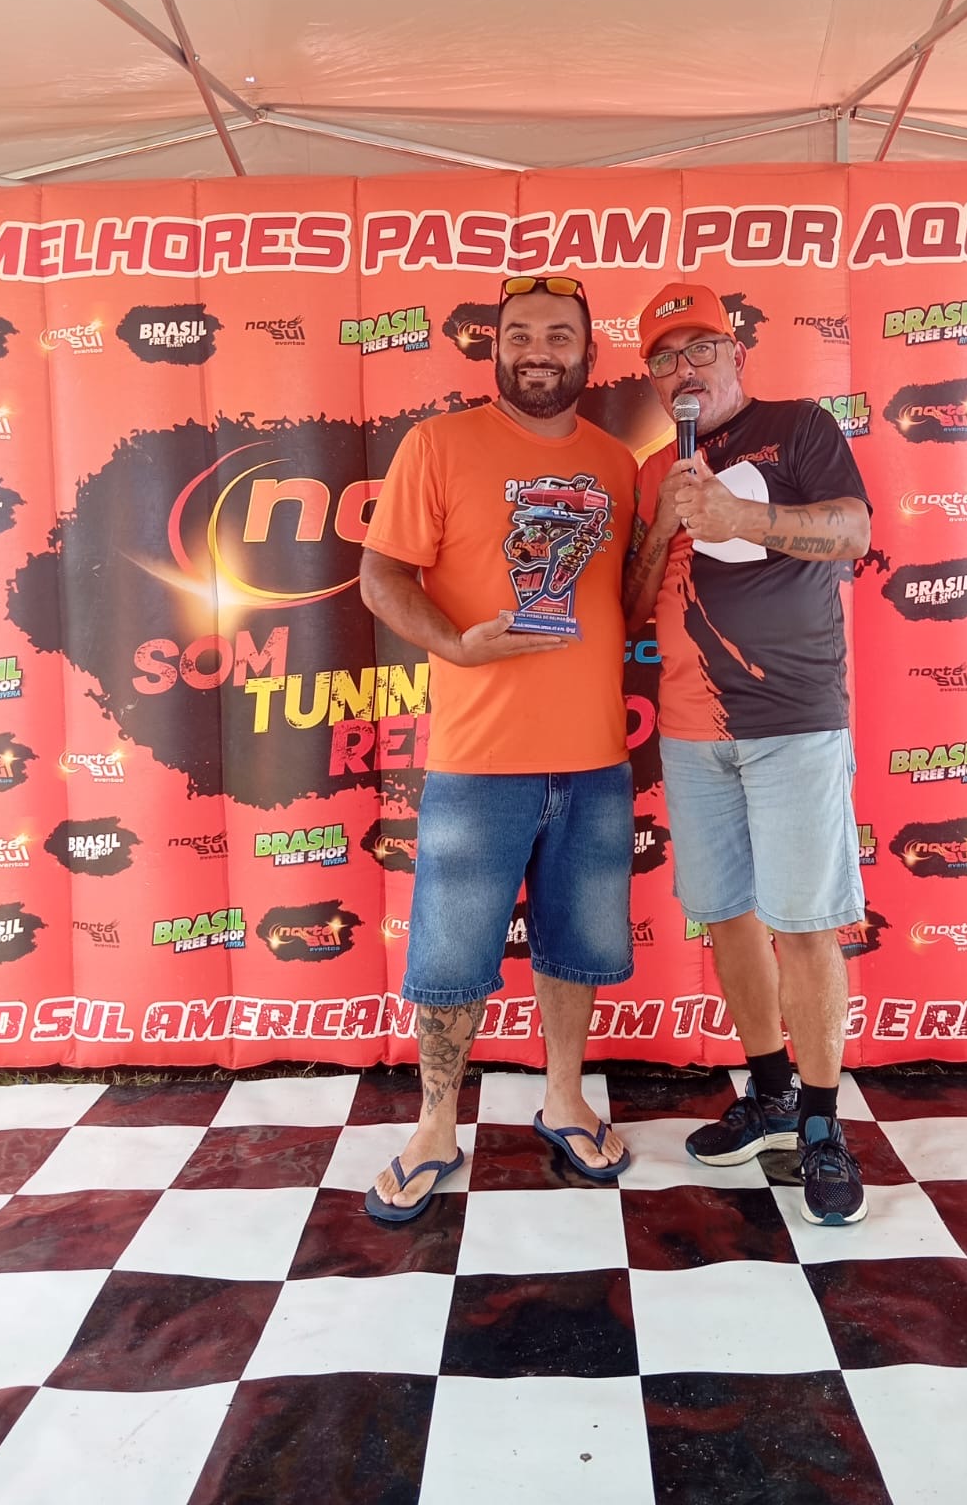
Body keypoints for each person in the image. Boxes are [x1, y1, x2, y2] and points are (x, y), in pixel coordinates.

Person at [359, 274, 638, 1222]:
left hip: (595, 756)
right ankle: (436, 1126)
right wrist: (456, 644)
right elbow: (382, 577)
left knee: (578, 948)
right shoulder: (438, 444)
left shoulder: (617, 462)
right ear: (495, 348)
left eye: (559, 334)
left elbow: (624, 599)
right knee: (450, 957)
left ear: (588, 352)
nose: (538, 350)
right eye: (519, 333)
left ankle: (565, 1099)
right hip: (478, 756)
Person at [625, 281, 871, 1225]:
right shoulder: (655, 468)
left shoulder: (800, 426)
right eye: (664, 357)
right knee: (727, 918)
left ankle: (822, 1123)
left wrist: (743, 519)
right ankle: (769, 1093)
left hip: (796, 722)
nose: (683, 369)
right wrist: (665, 524)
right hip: (692, 733)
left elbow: (853, 531)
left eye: (700, 349)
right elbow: (634, 602)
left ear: (736, 355)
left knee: (803, 925)